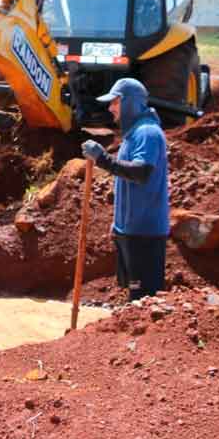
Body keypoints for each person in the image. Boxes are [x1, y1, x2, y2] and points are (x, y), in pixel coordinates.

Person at [81, 78, 169, 301]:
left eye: (115, 102)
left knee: (143, 298)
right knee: (134, 293)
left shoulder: (148, 133)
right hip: (131, 230)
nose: (110, 108)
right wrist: (119, 224)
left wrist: (102, 159)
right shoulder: (134, 134)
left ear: (130, 102)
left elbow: (140, 172)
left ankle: (142, 336)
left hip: (145, 233)